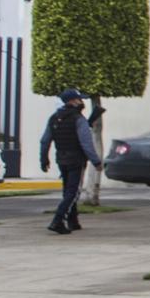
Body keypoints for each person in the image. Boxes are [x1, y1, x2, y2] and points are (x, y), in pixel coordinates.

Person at [39, 88, 101, 235]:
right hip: (76, 159)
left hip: (61, 158)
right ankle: (58, 220)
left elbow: (45, 140)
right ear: (73, 101)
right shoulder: (79, 119)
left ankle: (73, 221)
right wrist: (96, 161)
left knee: (67, 190)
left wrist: (43, 159)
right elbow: (86, 143)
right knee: (73, 192)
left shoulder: (54, 117)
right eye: (80, 99)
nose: (82, 102)